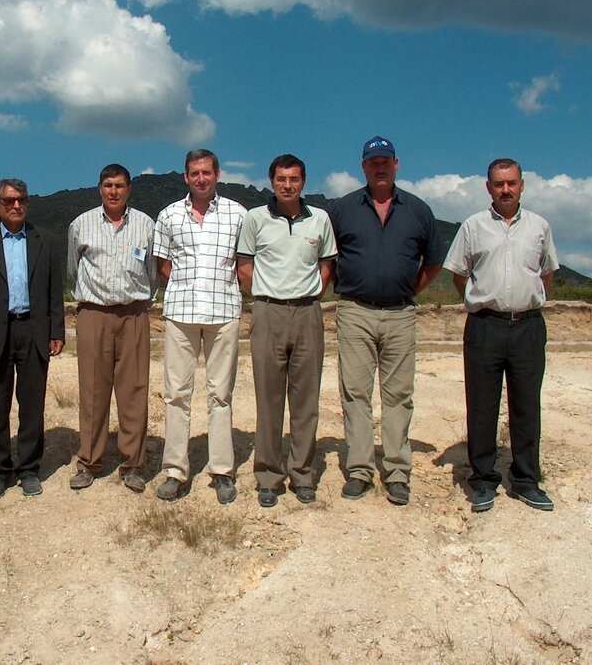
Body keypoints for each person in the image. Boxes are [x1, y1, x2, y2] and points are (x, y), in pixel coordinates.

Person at [328, 136, 444, 506]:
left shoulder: (418, 210)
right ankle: (360, 469)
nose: (379, 167)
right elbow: (326, 258)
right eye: (372, 162)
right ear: (363, 167)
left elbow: (435, 261)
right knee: (355, 393)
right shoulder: (343, 209)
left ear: (397, 164)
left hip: (400, 313)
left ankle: (396, 471)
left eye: (385, 161)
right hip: (354, 310)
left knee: (398, 396)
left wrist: (410, 291)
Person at [443, 158, 558, 512]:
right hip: (485, 325)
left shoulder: (539, 226)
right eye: (498, 183)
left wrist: (526, 300)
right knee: (482, 405)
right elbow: (460, 274)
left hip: (527, 326)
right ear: (488, 187)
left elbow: (547, 273)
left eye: (511, 183)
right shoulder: (473, 227)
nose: (505, 189)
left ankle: (525, 479)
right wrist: (483, 301)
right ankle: (482, 480)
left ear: (522, 185)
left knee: (526, 404)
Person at [237, 154, 337, 508]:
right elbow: (244, 265)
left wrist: (311, 293)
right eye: (281, 179)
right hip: (268, 312)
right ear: (271, 181)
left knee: (306, 400)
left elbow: (327, 264)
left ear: (304, 182)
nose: (287, 185)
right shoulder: (255, 219)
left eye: (294, 179)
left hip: (308, 312)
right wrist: (264, 296)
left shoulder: (320, 219)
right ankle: (268, 475)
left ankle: (303, 474)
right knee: (268, 399)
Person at [0, 179, 65, 499]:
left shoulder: (45, 241)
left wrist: (56, 331)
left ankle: (29, 469)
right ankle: (0, 470)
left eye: (21, 200)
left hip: (32, 331)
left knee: (32, 406)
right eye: (9, 201)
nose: (16, 206)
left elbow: (54, 292)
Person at [153, 149, 246, 504]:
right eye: (195, 173)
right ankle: (176, 471)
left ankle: (222, 471)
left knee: (220, 395)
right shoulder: (169, 215)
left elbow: (241, 263)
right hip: (180, 313)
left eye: (207, 172)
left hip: (224, 313)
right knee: (177, 394)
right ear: (185, 177)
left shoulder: (238, 214)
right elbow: (163, 265)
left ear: (217, 174)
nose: (201, 178)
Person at [66, 164, 158, 493]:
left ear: (129, 188)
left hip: (134, 315)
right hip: (93, 315)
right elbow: (72, 271)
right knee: (93, 390)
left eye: (119, 185)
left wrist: (141, 302)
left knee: (134, 391)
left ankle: (133, 464)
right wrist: (92, 303)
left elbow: (152, 273)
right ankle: (89, 461)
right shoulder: (81, 225)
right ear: (99, 188)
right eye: (108, 185)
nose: (113, 191)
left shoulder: (146, 225)